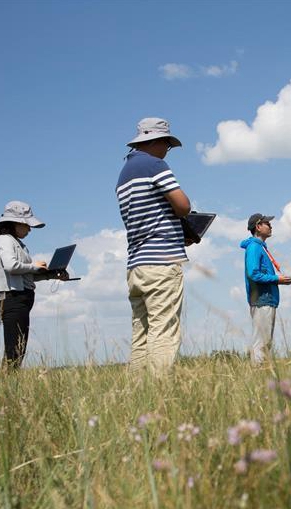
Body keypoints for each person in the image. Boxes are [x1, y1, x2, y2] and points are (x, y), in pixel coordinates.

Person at [116, 117, 191, 374]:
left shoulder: (123, 174)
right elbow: (183, 206)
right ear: (155, 141)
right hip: (161, 262)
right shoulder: (155, 165)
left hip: (136, 265)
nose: (167, 150)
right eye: (166, 144)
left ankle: (138, 389)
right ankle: (159, 390)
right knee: (163, 330)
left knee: (141, 333)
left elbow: (148, 217)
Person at [0, 201, 69, 369]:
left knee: (18, 349)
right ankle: (7, 381)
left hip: (20, 298)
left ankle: (9, 381)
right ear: (16, 223)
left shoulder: (16, 243)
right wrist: (35, 266)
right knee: (14, 350)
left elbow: (25, 275)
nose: (29, 229)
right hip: (13, 298)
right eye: (27, 225)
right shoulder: (4, 240)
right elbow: (11, 266)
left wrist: (50, 274)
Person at [240, 213, 291, 364]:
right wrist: (277, 279)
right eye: (267, 224)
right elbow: (253, 274)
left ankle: (262, 373)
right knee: (261, 343)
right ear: (258, 227)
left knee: (265, 342)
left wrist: (279, 280)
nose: (271, 226)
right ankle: (258, 373)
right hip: (262, 299)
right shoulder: (254, 247)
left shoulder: (260, 247)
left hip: (266, 299)